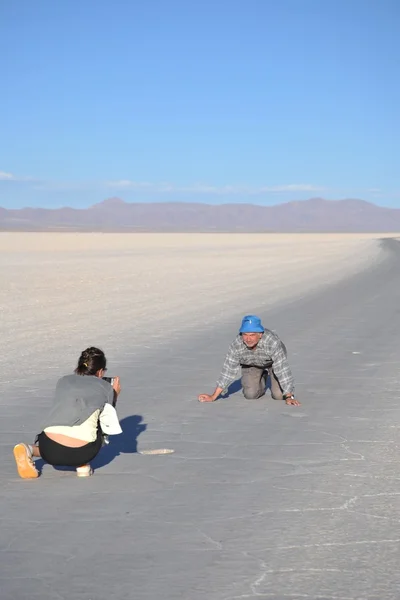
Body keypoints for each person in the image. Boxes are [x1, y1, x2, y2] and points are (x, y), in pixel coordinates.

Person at [13, 347, 121, 479]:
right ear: (100, 371)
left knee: (66, 417)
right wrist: (114, 395)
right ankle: (82, 464)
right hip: (83, 451)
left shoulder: (63, 381)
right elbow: (108, 422)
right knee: (96, 421)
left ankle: (29, 449)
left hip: (48, 449)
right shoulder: (105, 388)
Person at [198, 315, 300, 406]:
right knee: (250, 395)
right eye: (245, 334)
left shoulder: (271, 342)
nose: (248, 339)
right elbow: (228, 371)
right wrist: (213, 396)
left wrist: (289, 396)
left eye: (252, 335)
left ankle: (271, 374)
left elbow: (282, 369)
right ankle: (262, 377)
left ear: (260, 334)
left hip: (272, 363)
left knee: (278, 395)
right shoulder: (237, 345)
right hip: (251, 363)